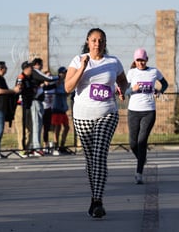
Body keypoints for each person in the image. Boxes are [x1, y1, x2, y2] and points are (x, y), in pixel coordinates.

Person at [65, 28, 128, 218]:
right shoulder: (78, 60)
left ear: (105, 42)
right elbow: (68, 86)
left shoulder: (113, 62)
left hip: (107, 113)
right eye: (94, 40)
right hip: (82, 116)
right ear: (87, 41)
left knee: (100, 155)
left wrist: (122, 90)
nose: (97, 44)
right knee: (91, 160)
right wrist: (83, 68)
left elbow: (123, 81)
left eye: (101, 40)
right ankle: (95, 198)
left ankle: (98, 201)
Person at [126, 48, 168, 184]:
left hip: (149, 111)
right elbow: (124, 90)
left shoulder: (153, 72)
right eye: (138, 60)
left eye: (142, 60)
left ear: (147, 60)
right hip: (133, 111)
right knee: (133, 143)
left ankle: (139, 173)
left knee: (141, 141)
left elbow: (165, 84)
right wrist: (133, 89)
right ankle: (141, 159)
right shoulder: (131, 73)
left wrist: (159, 92)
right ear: (135, 61)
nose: (140, 63)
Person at [0, 61, 20, 160]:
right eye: (5, 67)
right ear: (1, 68)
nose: (6, 68)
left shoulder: (1, 78)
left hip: (1, 106)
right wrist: (13, 90)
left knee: (0, 128)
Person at [30, 58, 59, 156]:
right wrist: (59, 77)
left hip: (38, 102)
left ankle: (36, 147)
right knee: (37, 125)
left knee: (38, 125)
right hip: (35, 101)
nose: (42, 67)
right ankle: (36, 147)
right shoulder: (35, 71)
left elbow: (48, 85)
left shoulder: (34, 73)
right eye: (41, 65)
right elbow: (48, 78)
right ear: (37, 64)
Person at [14, 61, 35, 158]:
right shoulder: (21, 77)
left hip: (28, 106)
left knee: (29, 129)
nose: (32, 69)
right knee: (21, 129)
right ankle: (21, 149)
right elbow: (18, 89)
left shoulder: (29, 79)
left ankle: (27, 148)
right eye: (31, 67)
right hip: (21, 106)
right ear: (26, 68)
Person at [51, 66, 70, 155]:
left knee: (66, 127)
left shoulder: (64, 83)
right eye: (63, 73)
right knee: (57, 127)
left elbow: (66, 93)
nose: (65, 74)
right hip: (57, 108)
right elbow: (60, 92)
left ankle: (62, 145)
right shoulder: (57, 82)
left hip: (63, 108)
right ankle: (55, 145)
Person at [42, 70, 56, 153]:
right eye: (47, 76)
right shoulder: (42, 87)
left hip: (50, 109)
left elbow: (60, 82)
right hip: (43, 108)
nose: (49, 78)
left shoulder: (53, 86)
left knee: (48, 127)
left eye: (50, 76)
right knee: (43, 127)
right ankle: (43, 145)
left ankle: (48, 145)